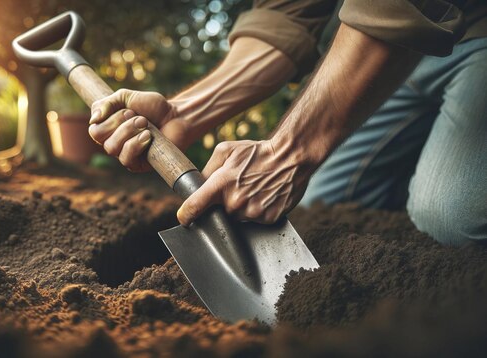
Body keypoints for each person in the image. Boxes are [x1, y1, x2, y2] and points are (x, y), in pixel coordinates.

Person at [87, 0, 487, 246]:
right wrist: (184, 112)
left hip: (473, 31)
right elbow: (288, 12)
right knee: (325, 205)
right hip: (393, 59)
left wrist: (289, 153)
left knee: (450, 219)